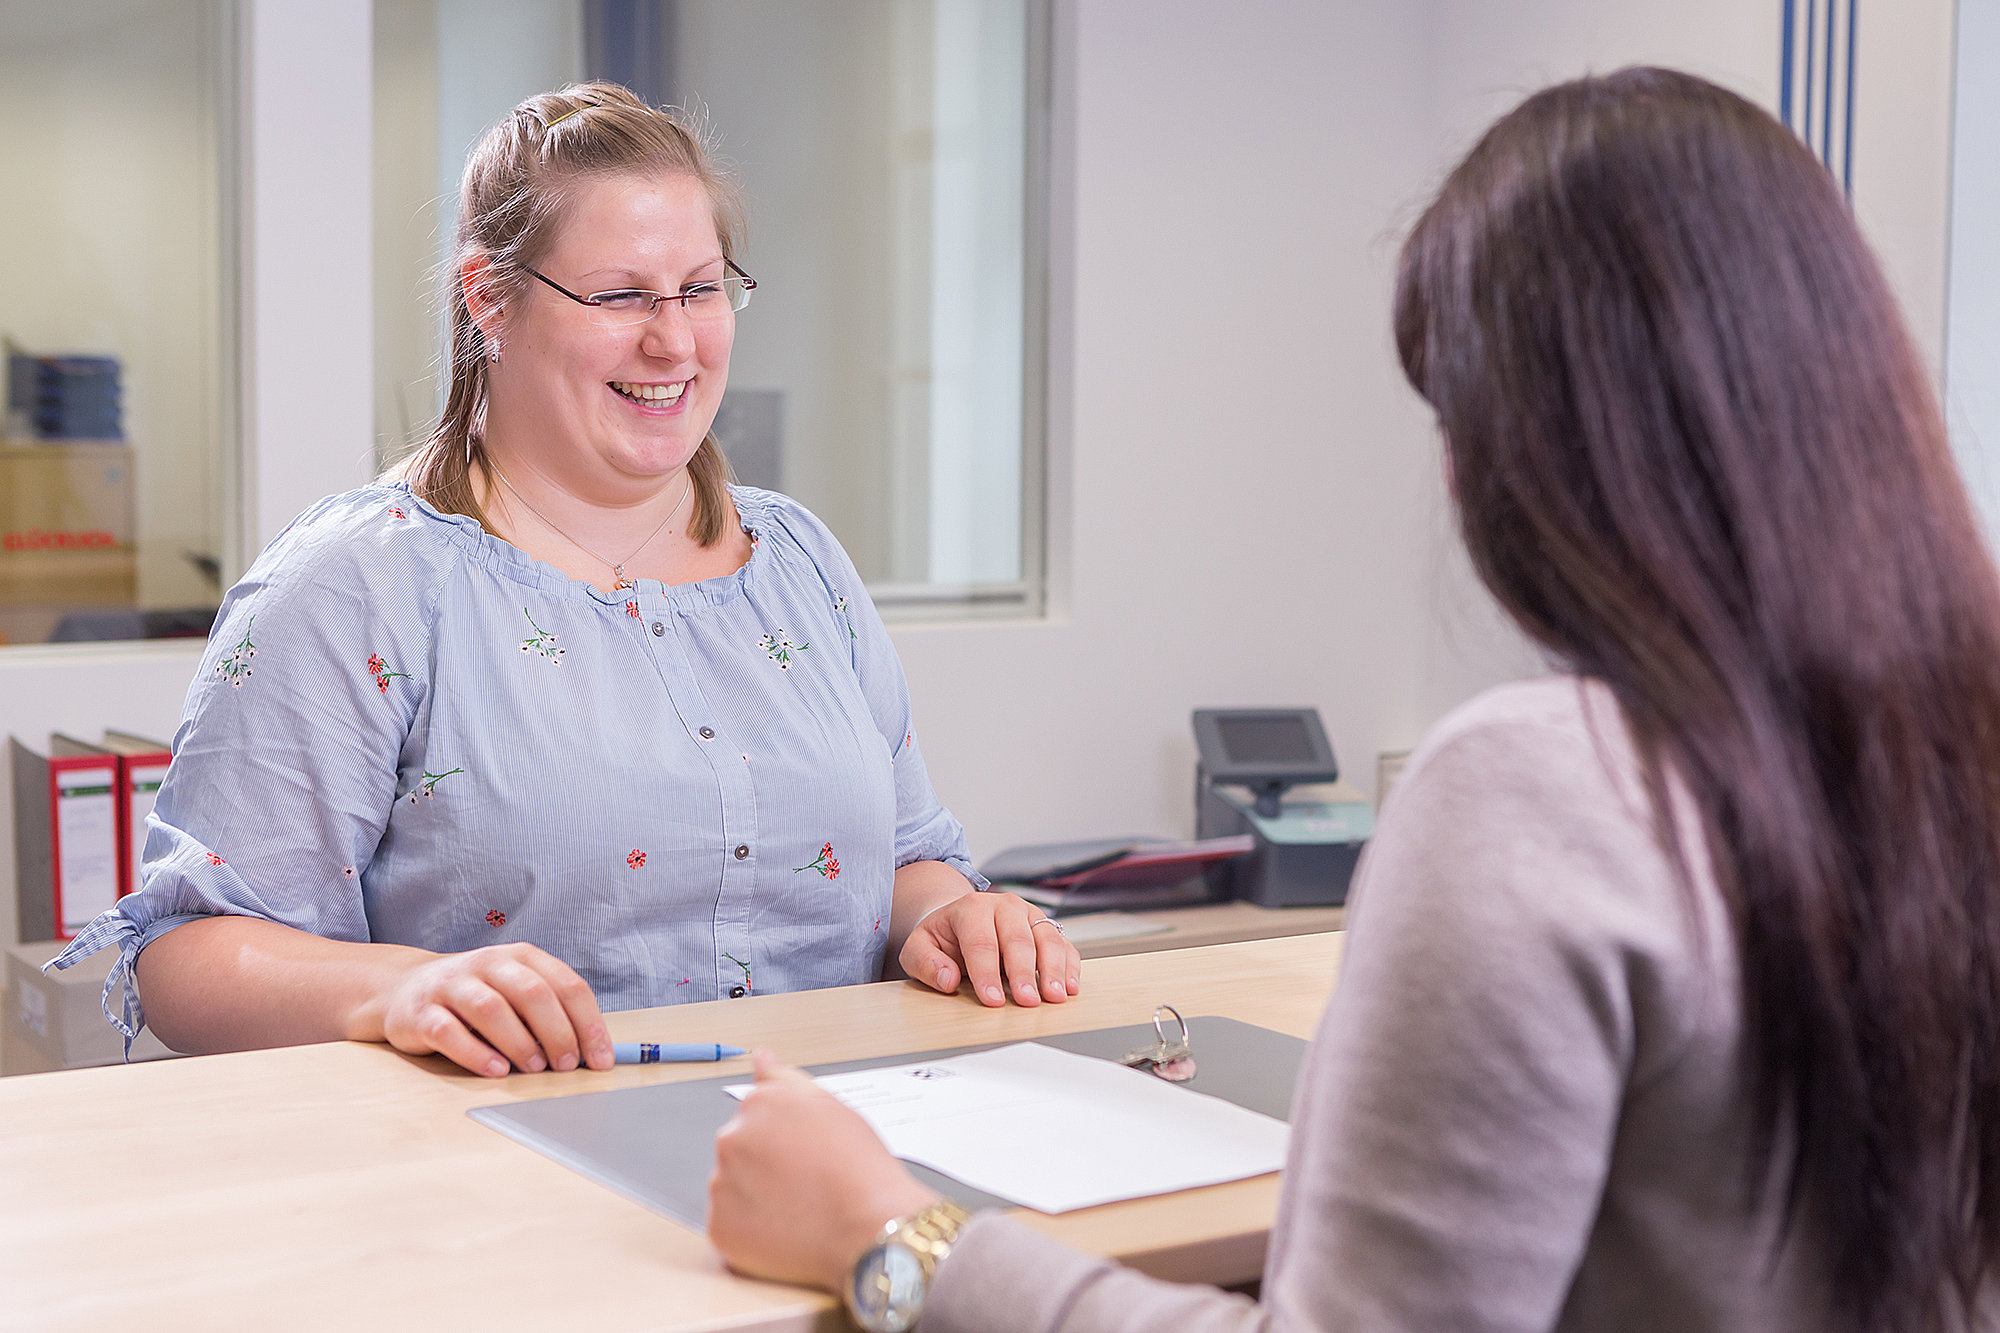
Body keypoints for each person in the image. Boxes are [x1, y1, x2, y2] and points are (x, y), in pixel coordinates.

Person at [706, 68, 2000, 1333]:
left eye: (1459, 413)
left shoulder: (1536, 786)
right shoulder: (1955, 754)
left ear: (1548, 439)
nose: (1449, 472)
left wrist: (895, 1238)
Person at [48, 82, 1080, 1079]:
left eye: (701, 288)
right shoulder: (358, 585)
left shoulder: (799, 561)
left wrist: (955, 915)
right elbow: (188, 958)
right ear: (488, 298)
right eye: (620, 294)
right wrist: (394, 991)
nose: (671, 339)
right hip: (509, 1188)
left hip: (833, 1147)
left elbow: (906, 855)